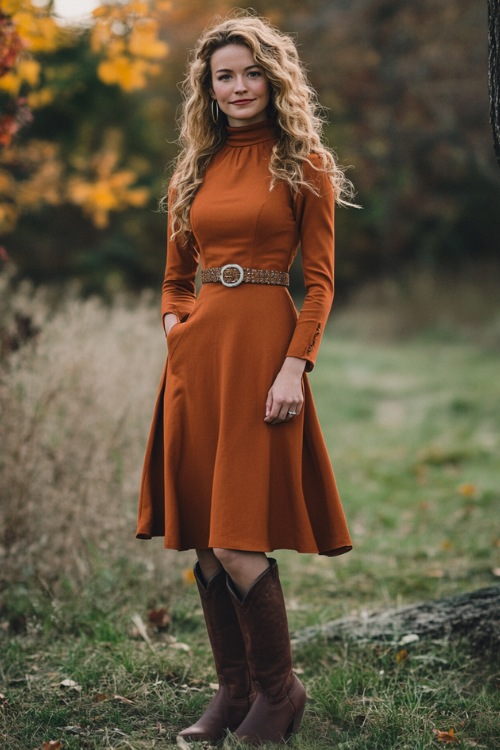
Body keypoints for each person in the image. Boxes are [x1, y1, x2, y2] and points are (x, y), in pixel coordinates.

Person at [136, 11, 354, 746]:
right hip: (196, 362)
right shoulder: (190, 170)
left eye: (251, 72)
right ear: (208, 86)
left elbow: (319, 284)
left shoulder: (306, 165)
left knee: (237, 537)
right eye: (224, 75)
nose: (238, 87)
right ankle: (232, 695)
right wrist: (177, 332)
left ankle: (279, 692)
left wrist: (296, 365)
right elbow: (173, 283)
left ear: (274, 78)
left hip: (265, 355)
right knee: (202, 535)